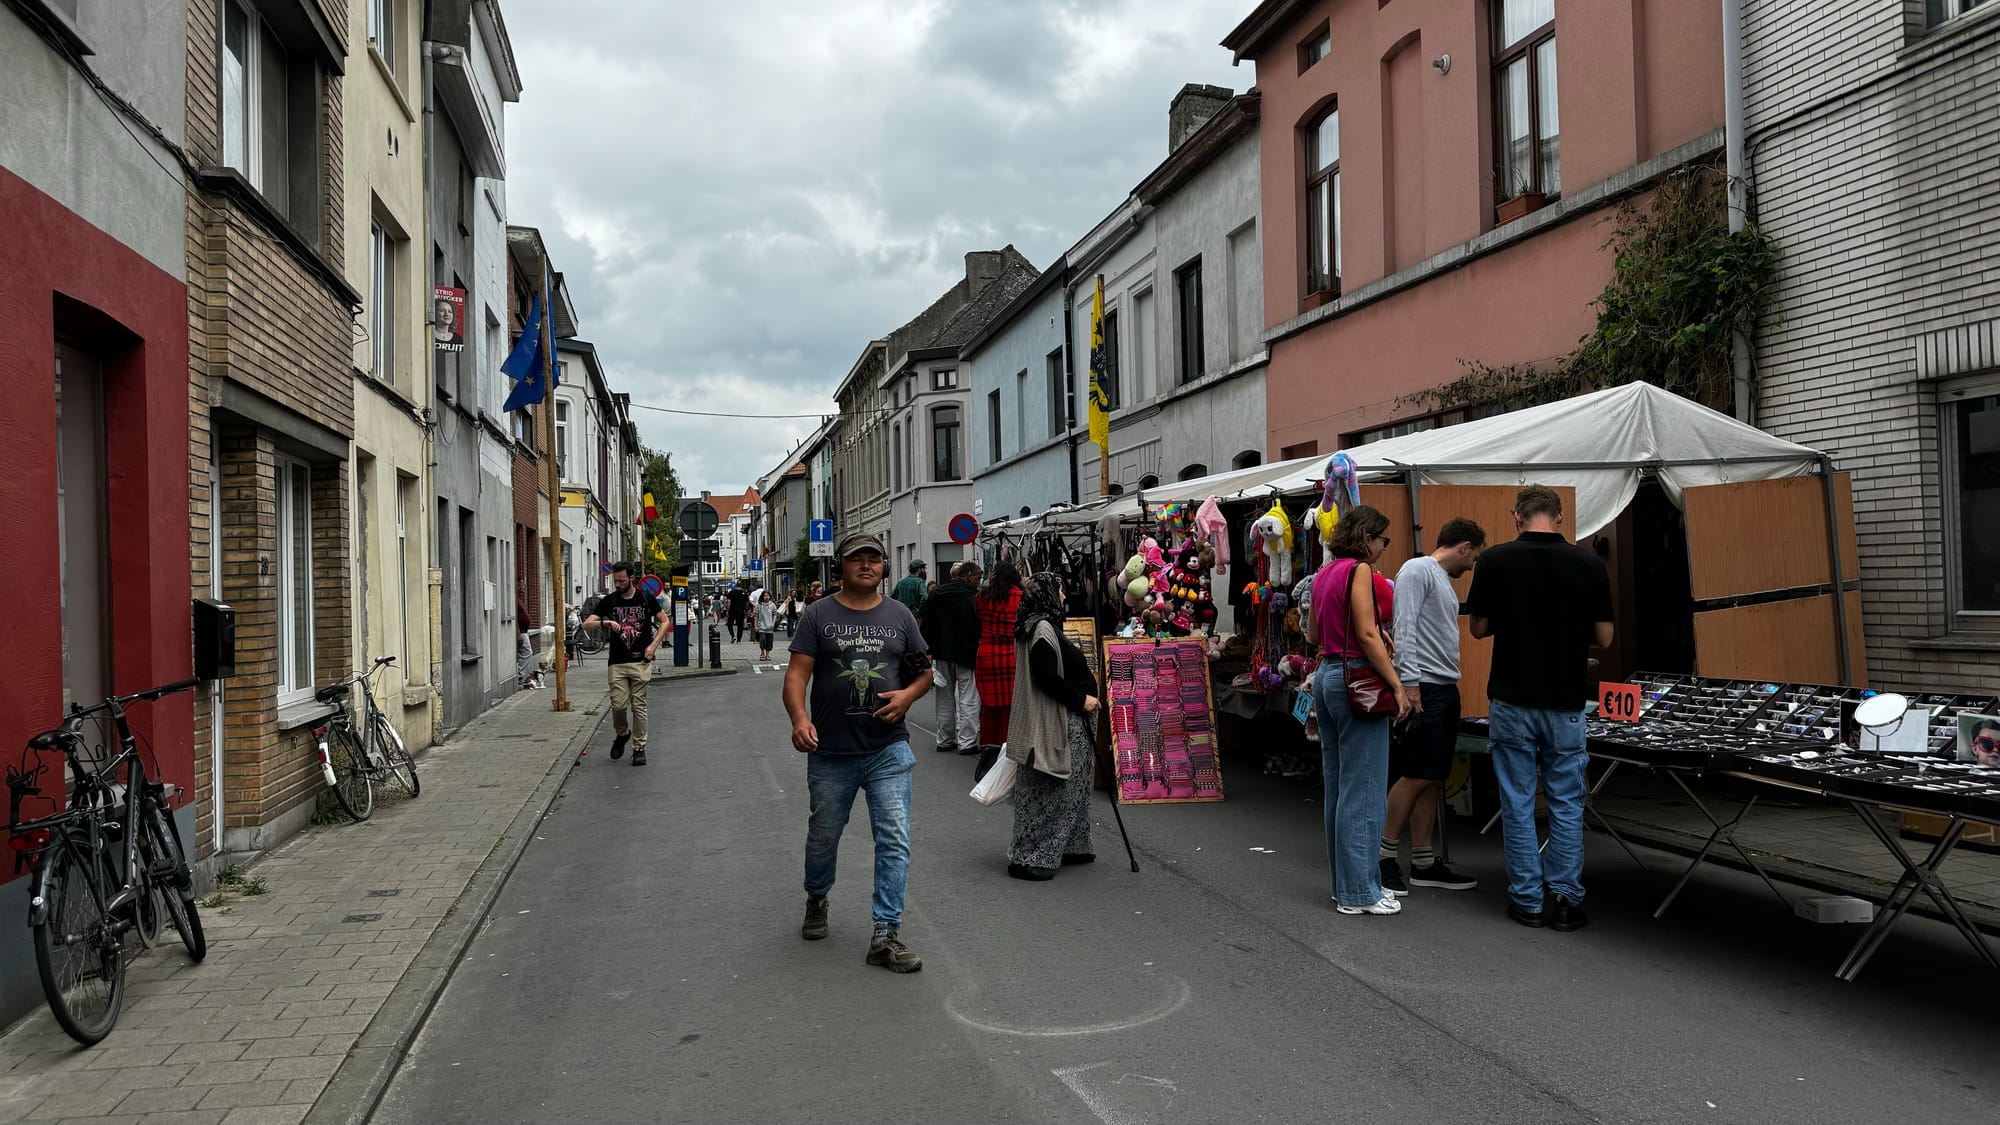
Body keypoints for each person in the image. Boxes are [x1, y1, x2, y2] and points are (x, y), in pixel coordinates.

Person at [783, 531, 933, 973]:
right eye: (856, 559)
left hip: (888, 749)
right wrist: (799, 720)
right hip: (831, 751)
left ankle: (885, 934)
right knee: (823, 836)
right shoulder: (818, 614)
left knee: (894, 839)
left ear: (884, 567)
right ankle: (817, 896)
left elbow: (925, 673)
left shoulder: (900, 615)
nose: (866, 565)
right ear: (841, 567)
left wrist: (908, 696)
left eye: (874, 559)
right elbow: (796, 676)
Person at [1466, 485, 1614, 933]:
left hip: (1511, 698)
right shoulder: (1588, 564)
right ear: (1560, 517)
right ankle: (1565, 900)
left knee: (1517, 801)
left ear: (1517, 517)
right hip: (1565, 700)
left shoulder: (1495, 560)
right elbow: (1605, 637)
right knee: (1566, 802)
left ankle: (1527, 901)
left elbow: (1478, 628)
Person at [1310, 505, 1413, 917]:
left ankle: (1348, 885)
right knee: (1366, 789)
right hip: (1356, 678)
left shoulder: (1325, 572)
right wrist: (1397, 685)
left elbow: (1314, 633)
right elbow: (1368, 633)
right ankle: (1359, 893)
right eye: (1383, 540)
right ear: (1367, 538)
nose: (1384, 547)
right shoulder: (1361, 570)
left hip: (1326, 675)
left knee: (1339, 788)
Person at [1379, 517, 1487, 896]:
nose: (1471, 566)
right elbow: (1404, 625)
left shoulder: (1437, 577)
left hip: (1442, 686)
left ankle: (1423, 862)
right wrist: (1409, 685)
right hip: (1424, 686)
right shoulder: (1417, 569)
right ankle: (1383, 857)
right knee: (1415, 774)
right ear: (1464, 547)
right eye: (1473, 557)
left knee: (1432, 776)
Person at [1004, 575, 1101, 880]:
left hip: (1067, 717)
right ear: (1047, 594)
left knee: (1073, 787)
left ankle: (1072, 845)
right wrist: (1080, 700)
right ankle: (1034, 856)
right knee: (1055, 789)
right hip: (1060, 718)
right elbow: (1045, 676)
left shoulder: (1036, 624)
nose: (1063, 596)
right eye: (1059, 590)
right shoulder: (1042, 627)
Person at [580, 562, 668, 767]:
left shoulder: (645, 598)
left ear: (631, 578)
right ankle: (622, 734)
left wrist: (653, 646)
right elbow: (586, 624)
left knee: (639, 705)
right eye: (615, 581)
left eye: (621, 581)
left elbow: (664, 621)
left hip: (641, 661)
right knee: (618, 706)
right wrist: (606, 623)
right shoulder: (609, 601)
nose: (617, 584)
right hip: (617, 662)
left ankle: (639, 748)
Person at [921, 561, 983, 755]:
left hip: (941, 652)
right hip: (967, 653)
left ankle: (945, 739)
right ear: (969, 576)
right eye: (978, 577)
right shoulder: (974, 596)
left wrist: (929, 649)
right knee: (969, 698)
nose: (979, 581)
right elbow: (978, 625)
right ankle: (967, 742)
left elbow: (927, 623)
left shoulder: (936, 594)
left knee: (944, 697)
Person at [975, 561, 1024, 752]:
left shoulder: (982, 597)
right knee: (1010, 706)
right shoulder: (1020, 596)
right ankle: (1006, 745)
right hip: (1012, 654)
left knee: (989, 705)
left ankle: (988, 745)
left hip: (987, 654)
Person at [515, 582, 538, 690]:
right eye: (521, 585)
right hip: (521, 632)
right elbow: (515, 618)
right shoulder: (514, 599)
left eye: (524, 585)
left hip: (524, 631)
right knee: (527, 652)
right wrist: (518, 633)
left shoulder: (519, 599)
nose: (523, 587)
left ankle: (519, 676)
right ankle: (519, 677)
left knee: (523, 653)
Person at [754, 590, 780, 662]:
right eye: (765, 596)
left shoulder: (772, 605)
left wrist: (773, 623)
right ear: (762, 596)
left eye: (768, 596)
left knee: (769, 641)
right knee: (762, 640)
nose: (766, 597)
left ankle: (767, 654)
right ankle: (762, 653)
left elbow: (775, 614)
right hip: (761, 626)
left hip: (770, 627)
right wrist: (755, 625)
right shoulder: (759, 605)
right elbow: (755, 616)